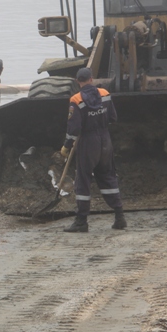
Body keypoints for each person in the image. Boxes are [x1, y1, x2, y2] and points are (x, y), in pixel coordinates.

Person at [60, 68, 126, 232]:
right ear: (91, 79)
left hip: (88, 141)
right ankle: (119, 217)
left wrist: (66, 145)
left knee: (83, 179)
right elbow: (113, 118)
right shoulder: (104, 93)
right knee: (108, 176)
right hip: (105, 140)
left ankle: (81, 222)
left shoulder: (76, 99)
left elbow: (74, 128)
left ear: (78, 81)